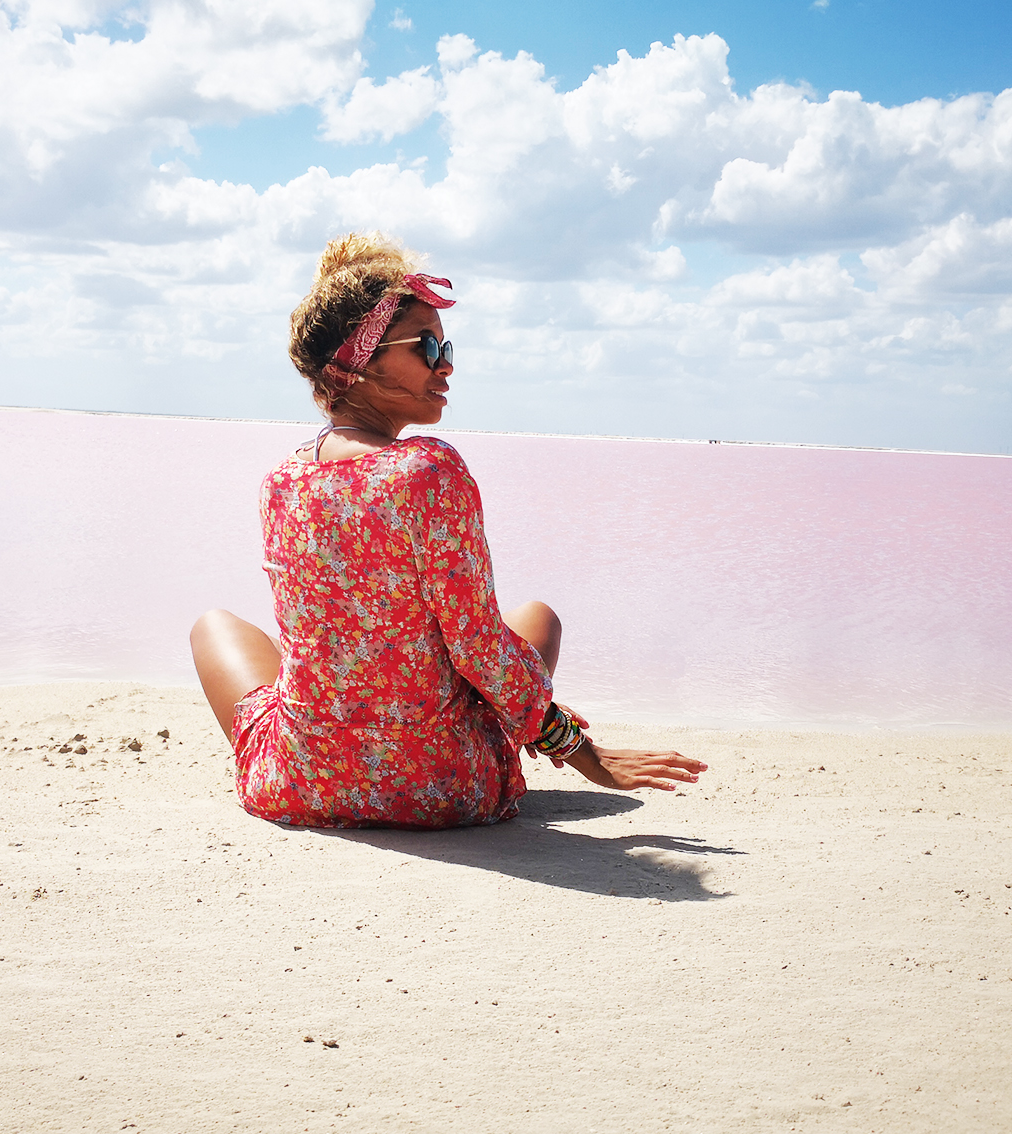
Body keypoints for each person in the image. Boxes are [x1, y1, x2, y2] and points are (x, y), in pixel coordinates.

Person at [189, 232, 706, 829]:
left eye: (446, 344)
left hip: (305, 780)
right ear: (359, 360)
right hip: (441, 786)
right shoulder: (428, 470)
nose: (447, 363)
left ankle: (323, 744)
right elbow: (478, 646)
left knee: (215, 627)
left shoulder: (281, 481)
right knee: (536, 618)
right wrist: (580, 752)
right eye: (427, 345)